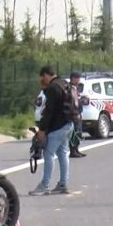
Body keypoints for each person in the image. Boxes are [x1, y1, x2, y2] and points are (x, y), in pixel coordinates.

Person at [30, 66, 74, 196]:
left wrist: (42, 129)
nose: (41, 80)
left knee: (48, 154)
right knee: (63, 153)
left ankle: (45, 185)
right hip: (68, 123)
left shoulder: (52, 88)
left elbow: (49, 111)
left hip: (57, 126)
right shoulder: (64, 83)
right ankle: (63, 184)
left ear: (45, 75)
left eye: (42, 77)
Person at [67, 71, 86, 158]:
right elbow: (72, 103)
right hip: (74, 115)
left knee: (78, 132)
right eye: (77, 78)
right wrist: (75, 113)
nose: (79, 80)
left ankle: (76, 149)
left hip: (78, 113)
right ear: (73, 79)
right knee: (74, 133)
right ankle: (73, 151)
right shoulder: (70, 88)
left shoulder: (75, 88)